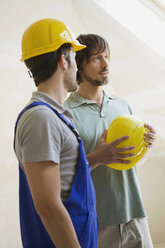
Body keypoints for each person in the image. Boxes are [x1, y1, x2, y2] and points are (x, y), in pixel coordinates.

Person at [14, 19, 100, 248]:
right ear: (64, 60)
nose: (77, 67)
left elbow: (65, 181)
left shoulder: (55, 116)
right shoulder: (40, 119)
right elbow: (48, 207)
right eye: (74, 59)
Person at [64, 34, 156, 248]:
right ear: (79, 65)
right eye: (96, 58)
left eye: (106, 57)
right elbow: (64, 173)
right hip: (97, 224)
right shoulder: (66, 113)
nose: (105, 64)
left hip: (135, 216)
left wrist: (146, 146)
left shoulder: (122, 105)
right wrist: (98, 157)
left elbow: (133, 162)